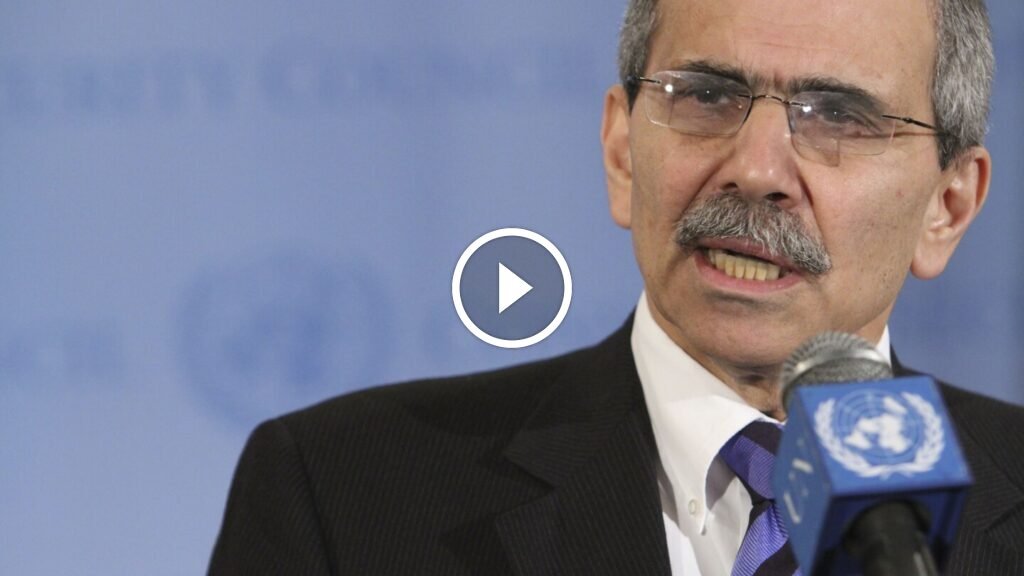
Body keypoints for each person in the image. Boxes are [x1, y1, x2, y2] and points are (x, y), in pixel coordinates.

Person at [209, 0, 1024, 574]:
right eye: (708, 96)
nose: (755, 170)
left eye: (838, 116)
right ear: (622, 151)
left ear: (948, 207)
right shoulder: (342, 491)